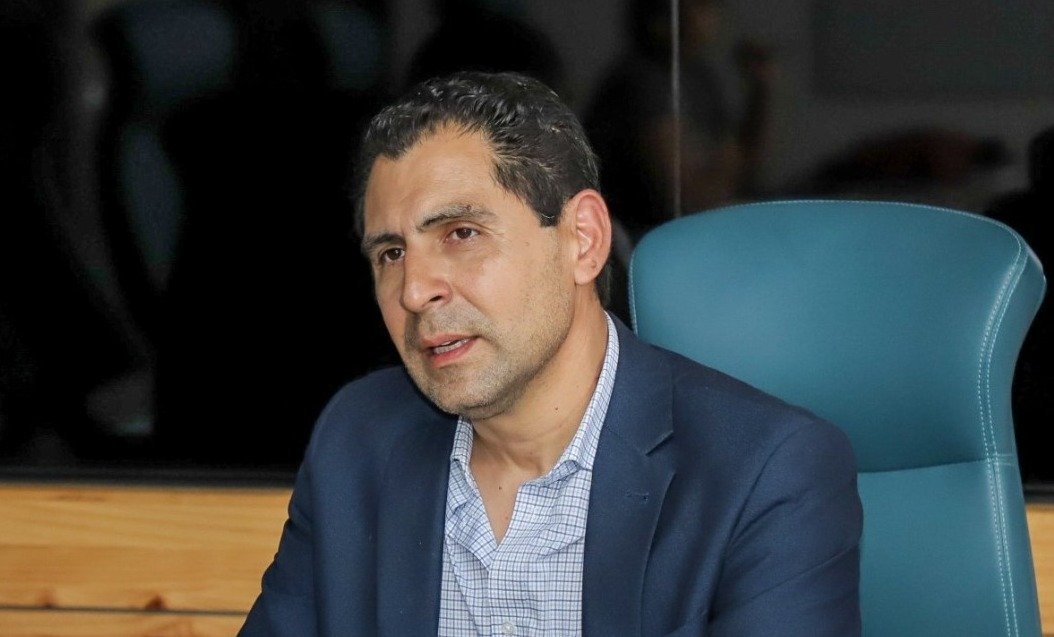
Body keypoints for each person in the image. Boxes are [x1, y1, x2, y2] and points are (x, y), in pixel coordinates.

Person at [240, 71, 862, 636]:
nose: (414, 290)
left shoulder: (764, 473)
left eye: (461, 233)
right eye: (391, 254)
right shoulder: (358, 440)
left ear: (582, 241)